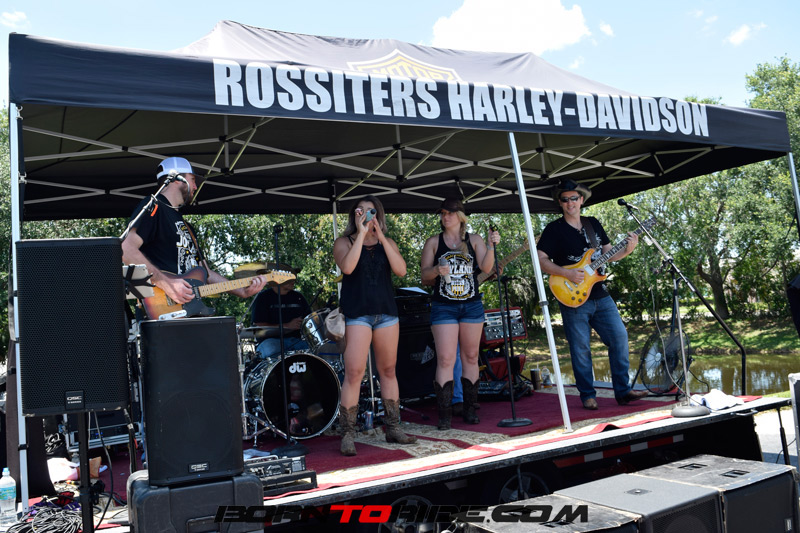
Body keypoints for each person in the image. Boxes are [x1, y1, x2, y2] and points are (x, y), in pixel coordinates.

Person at [536, 179, 647, 410]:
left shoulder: (592, 224)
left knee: (619, 337)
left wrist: (628, 249)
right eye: (565, 199)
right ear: (560, 203)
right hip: (572, 295)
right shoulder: (554, 229)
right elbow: (541, 259)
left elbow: (609, 254)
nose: (570, 203)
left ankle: (623, 391)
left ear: (581, 200)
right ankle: (587, 394)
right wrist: (566, 273)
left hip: (600, 293)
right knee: (581, 348)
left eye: (573, 198)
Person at [121, 156, 267, 312]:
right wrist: (167, 284)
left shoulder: (186, 226)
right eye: (192, 180)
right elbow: (125, 249)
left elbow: (205, 273)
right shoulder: (154, 206)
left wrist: (242, 291)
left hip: (188, 310)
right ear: (178, 179)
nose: (196, 187)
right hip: (161, 311)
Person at [333, 195, 416, 456]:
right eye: (360, 211)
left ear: (378, 214)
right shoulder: (344, 242)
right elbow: (347, 268)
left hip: (386, 314)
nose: (365, 215)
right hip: (358, 314)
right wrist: (361, 234)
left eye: (370, 211)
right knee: (354, 372)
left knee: (388, 370)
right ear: (354, 215)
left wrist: (380, 237)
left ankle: (393, 427)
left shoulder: (387, 242)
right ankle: (348, 433)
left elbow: (401, 270)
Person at [420, 198, 500, 429]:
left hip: (471, 305)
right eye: (443, 213)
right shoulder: (434, 242)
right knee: (446, 358)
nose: (445, 217)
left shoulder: (474, 240)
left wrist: (491, 246)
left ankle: (469, 408)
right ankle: (444, 414)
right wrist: (436, 270)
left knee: (471, 357)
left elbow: (487, 268)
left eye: (450, 213)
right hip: (444, 306)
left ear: (461, 216)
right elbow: (424, 276)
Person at [251, 266, 311, 359]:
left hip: (297, 341)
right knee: (270, 348)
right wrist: (287, 326)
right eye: (289, 276)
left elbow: (310, 319)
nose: (293, 279)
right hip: (271, 341)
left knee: (316, 349)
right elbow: (259, 327)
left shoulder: (299, 297)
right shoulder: (263, 297)